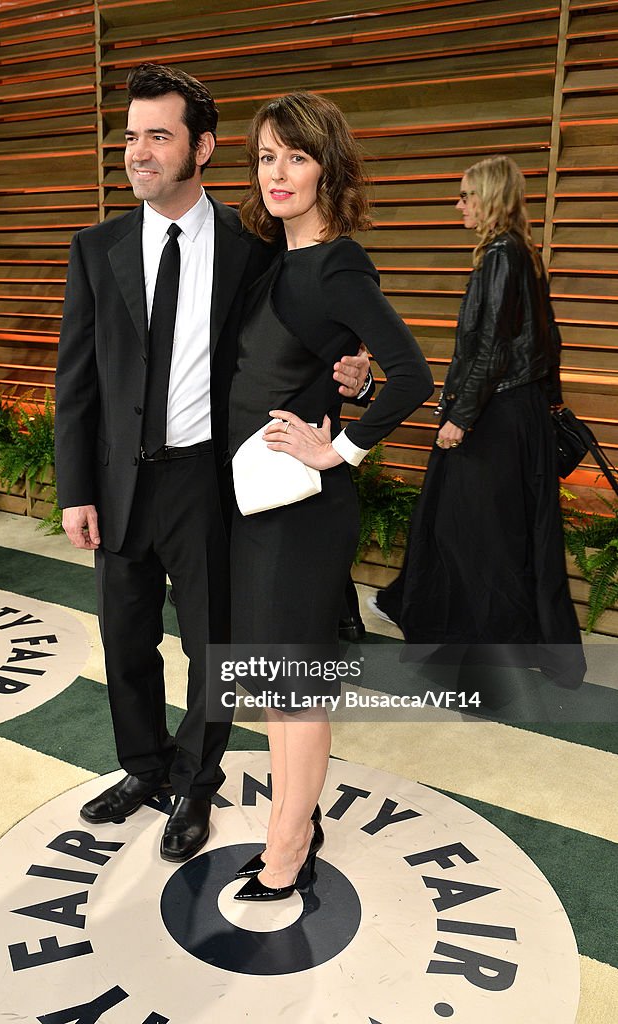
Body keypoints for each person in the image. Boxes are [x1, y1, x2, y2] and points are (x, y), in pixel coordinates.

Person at [54, 64, 370, 863]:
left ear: (202, 147)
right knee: (124, 641)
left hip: (208, 481)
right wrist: (74, 489)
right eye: (131, 136)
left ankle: (196, 784)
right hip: (119, 478)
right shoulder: (96, 248)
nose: (138, 152)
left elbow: (309, 334)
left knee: (211, 648)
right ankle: (142, 766)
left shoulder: (253, 248)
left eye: (158, 136)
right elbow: (76, 380)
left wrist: (354, 371)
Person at [227, 92, 433, 901]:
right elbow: (309, 364)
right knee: (275, 688)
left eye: (297, 157)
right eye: (266, 156)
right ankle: (295, 820)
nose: (277, 173)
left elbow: (414, 373)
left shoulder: (338, 260)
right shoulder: (276, 259)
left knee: (293, 689)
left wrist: (338, 449)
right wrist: (346, 383)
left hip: (301, 511)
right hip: (257, 507)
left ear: (328, 167)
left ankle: (288, 847)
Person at [374, 155, 586, 688]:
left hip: (493, 418)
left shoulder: (499, 255)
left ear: (489, 198)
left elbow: (489, 345)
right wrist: (550, 404)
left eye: (467, 195)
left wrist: (461, 418)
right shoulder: (526, 254)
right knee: (507, 535)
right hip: (523, 416)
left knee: (470, 537)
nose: (459, 204)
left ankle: (473, 664)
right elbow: (549, 339)